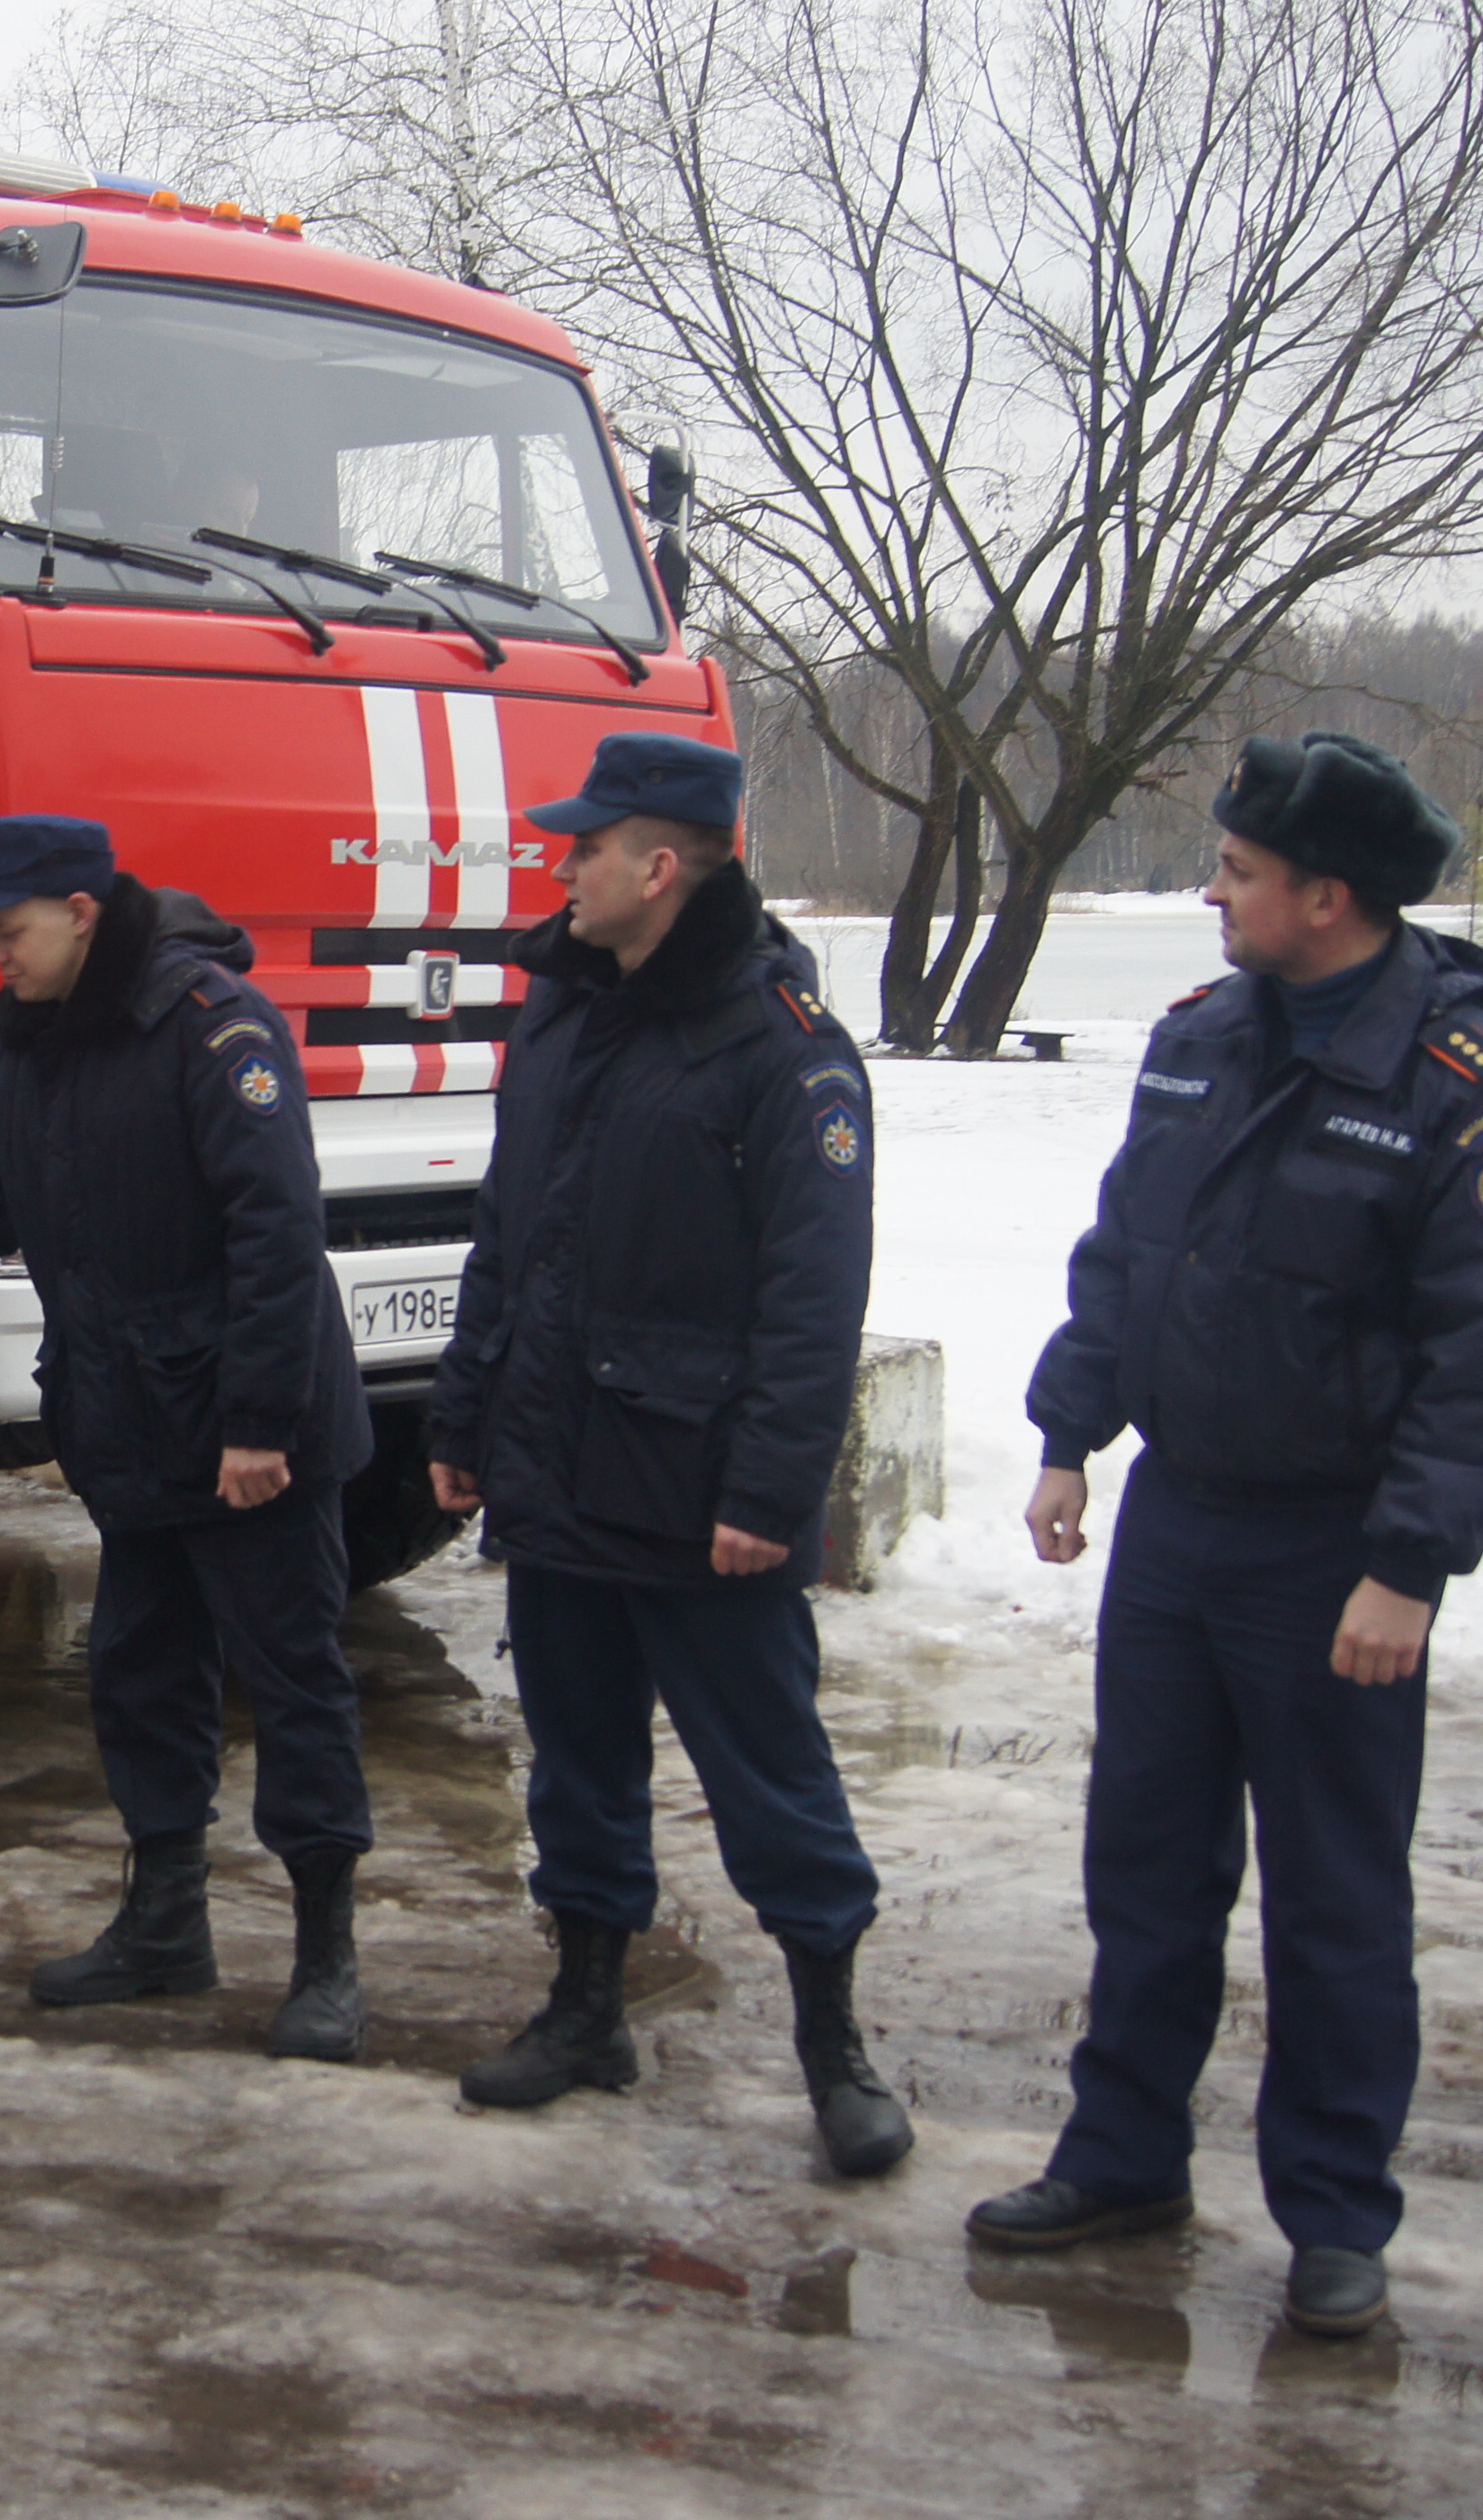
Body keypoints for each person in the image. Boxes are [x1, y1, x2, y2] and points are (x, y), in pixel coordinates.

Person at [974, 730, 1483, 2341]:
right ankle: (1122, 2159)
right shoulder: (1203, 1037)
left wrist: (1408, 1564)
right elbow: (1130, 1251)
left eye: (1239, 871)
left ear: (1330, 897)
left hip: (1335, 1552)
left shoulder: (1469, 1088)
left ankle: (1332, 2213)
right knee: (1146, 1866)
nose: (1213, 891)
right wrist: (1070, 1433)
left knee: (1332, 1900)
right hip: (1180, 1522)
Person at [0, 812, 380, 2063]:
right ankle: (165, 1927)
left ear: (83, 913)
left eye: (10, 930)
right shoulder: (35, 1045)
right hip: (132, 1423)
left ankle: (327, 1955)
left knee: (291, 1680)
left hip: (247, 1434)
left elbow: (277, 1231)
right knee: (140, 1675)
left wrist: (258, 1422)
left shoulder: (214, 1027)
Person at [420, 731, 908, 2176]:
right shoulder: (562, 1015)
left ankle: (834, 2045)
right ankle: (586, 2011)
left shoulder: (781, 1046)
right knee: (576, 1762)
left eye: (583, 847)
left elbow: (815, 1297)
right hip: (556, 1465)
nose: (560, 869)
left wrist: (771, 1493)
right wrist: (464, 1415)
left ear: (658, 867)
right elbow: (508, 1232)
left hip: (700, 1496)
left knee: (769, 1773)